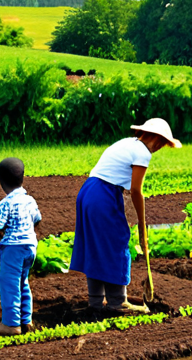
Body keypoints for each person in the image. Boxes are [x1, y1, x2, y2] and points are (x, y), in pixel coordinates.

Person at [71, 118, 181, 314]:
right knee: (118, 241)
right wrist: (141, 224)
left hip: (87, 192)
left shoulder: (126, 143)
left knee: (95, 245)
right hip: (103, 195)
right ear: (158, 140)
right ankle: (117, 301)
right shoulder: (143, 152)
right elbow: (137, 191)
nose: (160, 148)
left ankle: (96, 302)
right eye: (163, 144)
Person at [0, 157, 42, 336]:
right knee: (23, 282)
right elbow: (37, 219)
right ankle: (26, 320)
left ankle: (11, 324)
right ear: (22, 178)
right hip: (30, 247)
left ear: (1, 181)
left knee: (9, 283)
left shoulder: (6, 203)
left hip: (13, 248)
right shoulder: (30, 200)